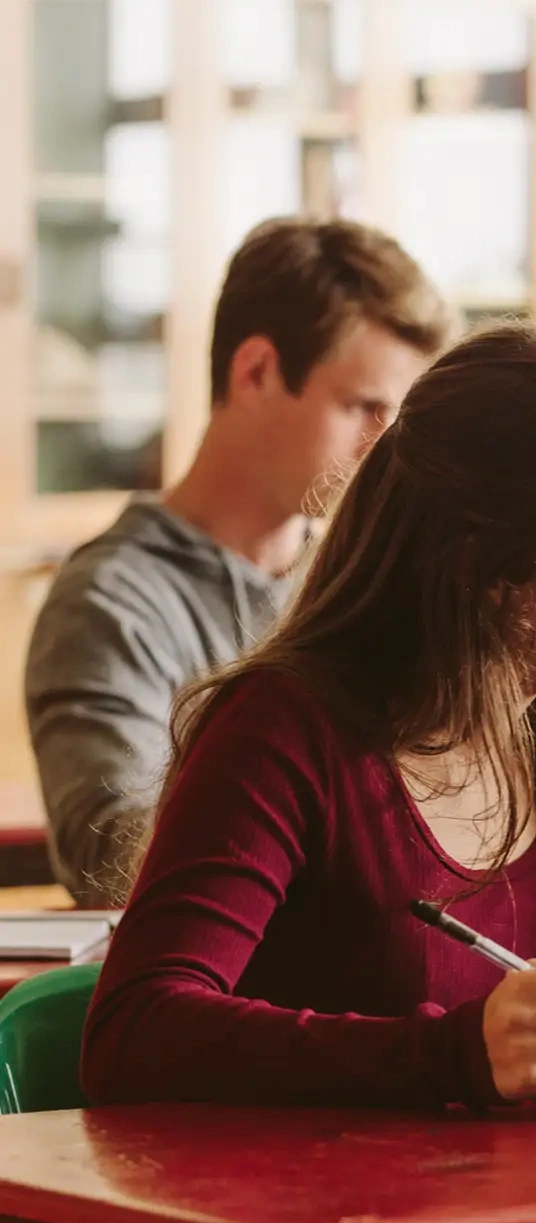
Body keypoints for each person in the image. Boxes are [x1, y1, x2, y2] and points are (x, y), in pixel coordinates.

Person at [80, 323, 536, 1116]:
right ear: (489, 566)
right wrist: (451, 1054)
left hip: (516, 1215)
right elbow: (132, 1034)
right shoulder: (283, 732)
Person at [25, 216, 452, 906]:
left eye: (397, 417)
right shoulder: (108, 602)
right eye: (362, 407)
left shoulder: (369, 586)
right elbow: (112, 858)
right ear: (255, 370)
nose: (385, 447)